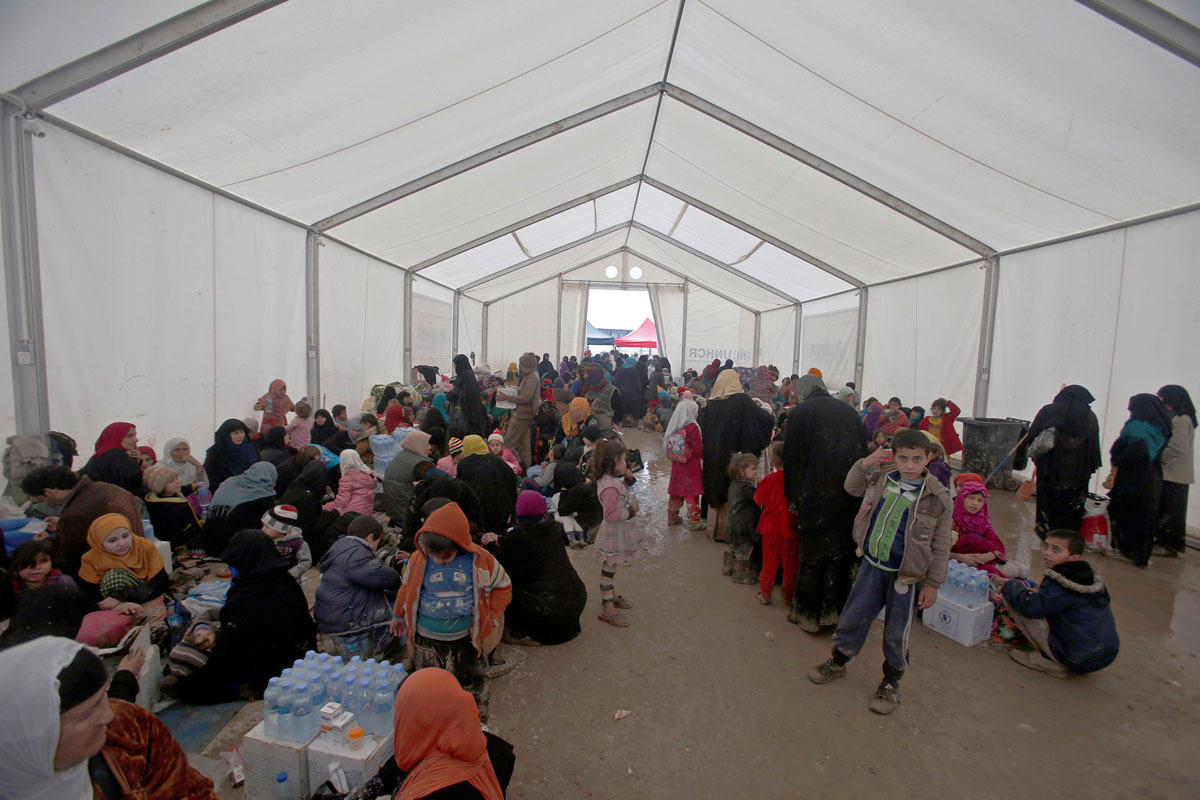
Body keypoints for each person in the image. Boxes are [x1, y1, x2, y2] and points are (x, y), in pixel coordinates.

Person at [808, 429, 952, 715]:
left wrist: (932, 584)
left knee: (897, 632)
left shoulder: (938, 498)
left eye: (916, 459)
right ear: (894, 457)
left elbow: (942, 543)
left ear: (929, 458)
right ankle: (838, 661)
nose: (910, 465)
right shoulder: (882, 479)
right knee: (854, 616)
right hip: (872, 566)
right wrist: (866, 462)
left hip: (906, 577)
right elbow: (851, 487)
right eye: (903, 458)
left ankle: (891, 682)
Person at [0, 637, 219, 800]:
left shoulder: (129, 727)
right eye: (86, 714)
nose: (107, 715)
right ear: (31, 735)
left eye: (103, 697)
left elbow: (188, 790)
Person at [389, 503, 512, 721]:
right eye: (432, 554)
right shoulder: (418, 560)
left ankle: (475, 726)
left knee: (473, 687)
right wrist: (398, 615)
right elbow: (406, 589)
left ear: (460, 545)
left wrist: (491, 615)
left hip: (467, 641)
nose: (436, 561)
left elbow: (503, 586)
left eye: (444, 558)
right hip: (425, 642)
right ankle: (435, 725)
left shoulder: (481, 562)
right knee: (429, 689)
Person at [171, 531, 316, 704]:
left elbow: (230, 658)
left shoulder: (245, 599)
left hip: (269, 675)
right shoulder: (285, 582)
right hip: (301, 662)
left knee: (185, 686)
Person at [783, 374, 868, 632]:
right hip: (847, 497)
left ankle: (808, 615)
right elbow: (863, 454)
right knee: (840, 555)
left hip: (814, 496)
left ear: (804, 391)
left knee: (813, 556)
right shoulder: (849, 411)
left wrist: (793, 499)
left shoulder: (800, 414)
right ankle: (834, 614)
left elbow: (793, 462)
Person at [1001, 529, 1119, 677]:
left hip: (1077, 658)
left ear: (1074, 557)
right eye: (1046, 546)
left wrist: (1011, 585)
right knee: (1033, 594)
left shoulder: (1060, 582)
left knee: (1013, 598)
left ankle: (1056, 662)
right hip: (1105, 654)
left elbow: (1030, 607)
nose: (1047, 553)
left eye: (1056, 550)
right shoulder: (1087, 577)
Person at [491, 491, 586, 646]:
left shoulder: (521, 537)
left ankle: (521, 634)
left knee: (498, 587)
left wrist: (491, 545)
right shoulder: (554, 527)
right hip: (573, 601)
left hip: (546, 610)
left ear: (518, 510)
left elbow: (503, 570)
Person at [20, 466, 146, 581]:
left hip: (115, 576)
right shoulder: (106, 488)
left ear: (49, 492)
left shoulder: (74, 514)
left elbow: (71, 559)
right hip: (138, 560)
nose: (46, 503)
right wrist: (62, 526)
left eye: (42, 499)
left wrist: (47, 542)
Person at [698, 369, 773, 537]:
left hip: (713, 458)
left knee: (715, 486)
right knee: (733, 490)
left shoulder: (710, 405)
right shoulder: (742, 401)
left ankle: (713, 529)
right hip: (734, 458)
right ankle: (730, 534)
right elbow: (763, 422)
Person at [314, 515, 400, 660]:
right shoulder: (357, 555)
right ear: (370, 537)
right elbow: (386, 577)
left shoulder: (340, 546)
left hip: (332, 611)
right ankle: (367, 662)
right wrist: (399, 579)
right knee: (358, 659)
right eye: (378, 542)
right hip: (346, 620)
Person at [1106, 393, 1173, 566]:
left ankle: (1127, 550)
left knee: (1128, 512)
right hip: (1152, 475)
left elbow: (1132, 453)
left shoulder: (1138, 427)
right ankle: (1141, 554)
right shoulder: (1159, 426)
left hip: (1133, 478)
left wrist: (1117, 457)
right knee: (1145, 515)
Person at [1026, 385, 1102, 536]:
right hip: (1078, 474)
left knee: (1048, 504)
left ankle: (1047, 535)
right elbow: (1093, 447)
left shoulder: (1048, 411)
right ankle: (1069, 537)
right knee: (1072, 507)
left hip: (1049, 471)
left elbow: (1032, 437)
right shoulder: (1090, 417)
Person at [592, 438, 643, 627]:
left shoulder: (609, 481)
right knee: (609, 570)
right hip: (612, 533)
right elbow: (611, 514)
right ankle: (607, 605)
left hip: (616, 531)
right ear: (615, 461)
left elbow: (625, 492)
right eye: (623, 460)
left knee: (611, 568)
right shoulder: (610, 488)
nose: (626, 464)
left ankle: (610, 595)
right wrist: (632, 511)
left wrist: (628, 479)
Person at [77, 514, 169, 606]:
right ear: (99, 542)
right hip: (110, 605)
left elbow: (160, 583)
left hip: (145, 596)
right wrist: (119, 606)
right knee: (113, 577)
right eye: (112, 540)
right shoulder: (91, 559)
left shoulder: (144, 547)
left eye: (125, 536)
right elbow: (90, 595)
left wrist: (122, 597)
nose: (121, 543)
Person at [950, 481, 1027, 578]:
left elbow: (998, 545)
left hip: (980, 562)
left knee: (1020, 571)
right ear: (962, 497)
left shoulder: (982, 522)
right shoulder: (949, 518)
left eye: (980, 500)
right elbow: (935, 548)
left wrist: (986, 557)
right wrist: (961, 557)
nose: (975, 503)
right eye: (971, 498)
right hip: (952, 563)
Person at [202, 461, 278, 555]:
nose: (274, 484)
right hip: (235, 549)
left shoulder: (229, 482)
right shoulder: (264, 498)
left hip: (209, 541)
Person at [755, 443, 797, 605]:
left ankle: (765, 595)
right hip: (791, 530)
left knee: (769, 564)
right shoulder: (796, 480)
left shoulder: (770, 479)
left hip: (770, 529)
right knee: (790, 568)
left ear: (775, 460)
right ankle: (788, 598)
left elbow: (758, 500)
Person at [1156, 385, 1195, 557]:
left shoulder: (1181, 420)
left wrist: (1158, 457)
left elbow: (1178, 448)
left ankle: (1169, 546)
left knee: (1171, 513)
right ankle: (1163, 541)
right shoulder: (1177, 418)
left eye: (1164, 399)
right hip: (1170, 473)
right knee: (1165, 509)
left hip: (1174, 474)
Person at [456, 435, 518, 536]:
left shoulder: (464, 464)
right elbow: (511, 479)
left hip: (477, 513)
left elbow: (461, 489)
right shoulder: (496, 460)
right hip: (499, 510)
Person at [142, 465, 205, 564]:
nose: (177, 481)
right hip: (185, 540)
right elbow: (173, 534)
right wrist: (181, 550)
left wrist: (193, 486)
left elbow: (181, 490)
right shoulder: (167, 508)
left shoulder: (169, 493)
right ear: (160, 486)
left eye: (177, 478)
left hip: (190, 530)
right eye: (172, 481)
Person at [663, 398, 704, 531]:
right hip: (691, 465)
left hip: (677, 464)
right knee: (691, 492)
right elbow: (698, 450)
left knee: (675, 491)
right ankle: (694, 521)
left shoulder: (675, 426)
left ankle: (672, 517)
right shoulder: (692, 427)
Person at [496, 352, 539, 469]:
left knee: (508, 444)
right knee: (523, 445)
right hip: (525, 414)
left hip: (522, 415)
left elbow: (526, 397)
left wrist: (506, 397)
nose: (520, 368)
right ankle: (526, 466)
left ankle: (516, 465)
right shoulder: (531, 376)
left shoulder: (532, 377)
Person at [723, 453, 760, 585]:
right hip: (743, 525)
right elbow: (758, 499)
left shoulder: (734, 484)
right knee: (742, 551)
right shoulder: (746, 487)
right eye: (753, 469)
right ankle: (739, 575)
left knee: (733, 546)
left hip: (734, 522)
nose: (756, 472)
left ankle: (727, 567)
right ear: (741, 471)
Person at [383, 430, 434, 524]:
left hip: (392, 508)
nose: (429, 447)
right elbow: (435, 482)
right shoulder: (422, 464)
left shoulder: (401, 454)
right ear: (418, 445)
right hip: (406, 512)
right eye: (426, 444)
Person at [79, 422, 144, 495]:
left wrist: (134, 462)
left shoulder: (105, 453)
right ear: (116, 437)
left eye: (135, 435)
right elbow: (135, 483)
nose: (136, 440)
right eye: (130, 436)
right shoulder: (116, 455)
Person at [202, 418, 260, 492]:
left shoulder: (251, 447)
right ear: (227, 435)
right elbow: (210, 477)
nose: (240, 436)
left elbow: (258, 468)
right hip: (224, 491)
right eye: (236, 433)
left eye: (242, 432)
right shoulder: (215, 452)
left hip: (249, 488)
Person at [260, 504, 312, 580]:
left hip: (288, 579)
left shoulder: (297, 543)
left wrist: (292, 573)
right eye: (263, 525)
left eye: (267, 527)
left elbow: (305, 561)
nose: (263, 529)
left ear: (280, 529)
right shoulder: (262, 539)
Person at [10, 538, 76, 595]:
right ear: (16, 566)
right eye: (29, 562)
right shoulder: (8, 585)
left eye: (43, 561)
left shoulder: (63, 582)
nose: (37, 567)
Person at [324, 449, 378, 516]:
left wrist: (325, 507)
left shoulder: (347, 479)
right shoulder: (369, 473)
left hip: (351, 513)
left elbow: (342, 502)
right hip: (366, 511)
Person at [448, 354, 491, 439]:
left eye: (455, 364)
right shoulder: (468, 374)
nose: (454, 367)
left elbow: (464, 393)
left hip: (466, 413)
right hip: (471, 412)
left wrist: (451, 394)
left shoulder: (464, 375)